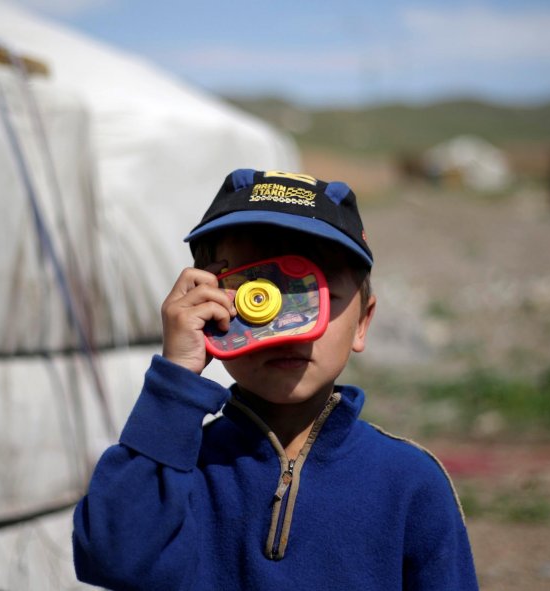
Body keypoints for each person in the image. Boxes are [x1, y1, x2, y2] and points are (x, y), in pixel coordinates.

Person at [72, 169, 478, 590]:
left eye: (314, 296)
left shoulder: (409, 483)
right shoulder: (176, 473)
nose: (289, 328)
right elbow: (110, 557)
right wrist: (175, 380)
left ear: (362, 322)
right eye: (258, 296)